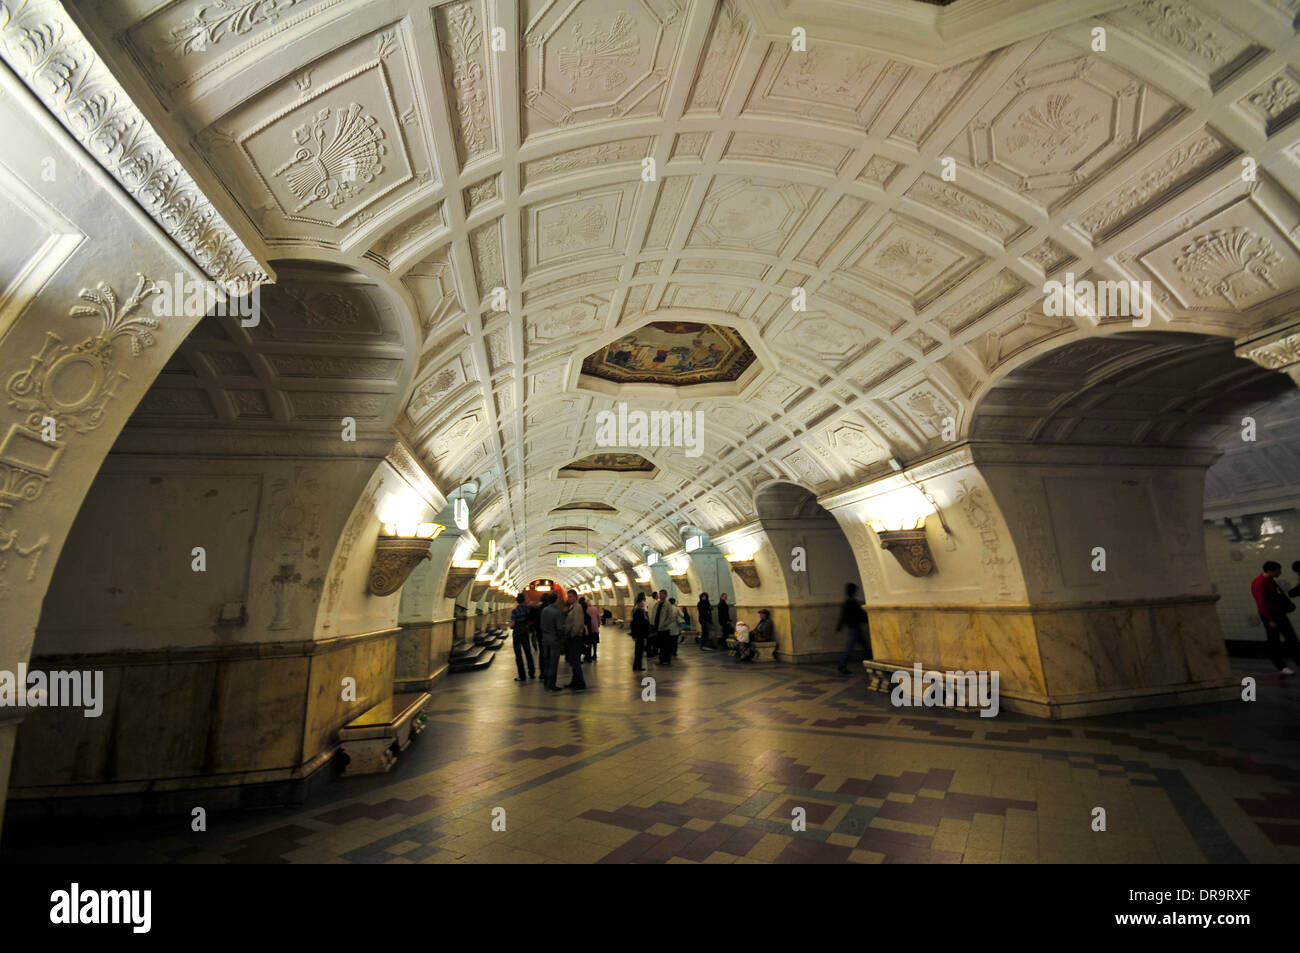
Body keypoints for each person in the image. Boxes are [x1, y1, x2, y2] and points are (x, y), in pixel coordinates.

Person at [1253, 561, 1300, 675]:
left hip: (1278, 613)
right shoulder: (1258, 583)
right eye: (1278, 570)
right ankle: (1281, 666)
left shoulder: (1270, 580)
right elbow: (1261, 604)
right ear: (1270, 571)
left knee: (1291, 638)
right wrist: (1270, 619)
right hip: (1270, 616)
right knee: (1274, 641)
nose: (1280, 572)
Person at [835, 582, 872, 676]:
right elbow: (857, 614)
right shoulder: (852, 603)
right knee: (851, 647)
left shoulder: (849, 602)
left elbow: (843, 616)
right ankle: (842, 665)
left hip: (853, 627)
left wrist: (839, 626)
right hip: (854, 628)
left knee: (862, 646)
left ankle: (871, 662)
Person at [539, 592, 566, 691]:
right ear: (556, 600)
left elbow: (541, 625)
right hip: (554, 640)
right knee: (554, 662)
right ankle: (552, 684)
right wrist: (562, 639)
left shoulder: (544, 610)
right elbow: (559, 628)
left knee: (547, 661)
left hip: (545, 639)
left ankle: (546, 681)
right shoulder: (557, 612)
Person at [563, 591, 587, 690]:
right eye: (568, 596)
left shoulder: (577, 607)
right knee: (573, 661)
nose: (569, 598)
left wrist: (572, 635)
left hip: (575, 638)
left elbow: (577, 624)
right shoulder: (572, 607)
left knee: (576, 661)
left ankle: (580, 682)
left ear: (576, 597)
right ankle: (574, 681)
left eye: (571, 596)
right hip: (572, 638)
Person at [509, 593, 535, 682]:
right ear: (524, 600)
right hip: (525, 632)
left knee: (518, 655)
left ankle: (522, 676)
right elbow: (531, 605)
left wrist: (511, 625)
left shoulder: (515, 611)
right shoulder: (528, 608)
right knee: (528, 653)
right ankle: (532, 673)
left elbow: (512, 624)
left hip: (517, 634)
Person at [630, 592, 651, 671]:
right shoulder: (638, 612)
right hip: (640, 634)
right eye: (643, 601)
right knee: (639, 651)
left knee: (640, 651)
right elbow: (635, 624)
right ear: (639, 602)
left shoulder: (641, 611)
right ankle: (637, 666)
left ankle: (637, 666)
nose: (644, 603)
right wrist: (634, 635)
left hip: (641, 634)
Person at [653, 589, 674, 664]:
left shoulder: (668, 604)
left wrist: (664, 624)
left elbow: (670, 617)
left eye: (662, 594)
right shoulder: (657, 603)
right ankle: (661, 660)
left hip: (664, 628)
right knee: (660, 645)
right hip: (658, 627)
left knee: (666, 645)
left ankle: (667, 660)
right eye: (659, 594)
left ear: (665, 595)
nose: (660, 595)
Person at [584, 597, 601, 662]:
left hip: (589, 628)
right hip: (595, 628)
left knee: (589, 642)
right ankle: (595, 653)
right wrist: (598, 625)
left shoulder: (586, 609)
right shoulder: (595, 609)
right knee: (595, 642)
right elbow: (598, 617)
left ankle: (588, 654)